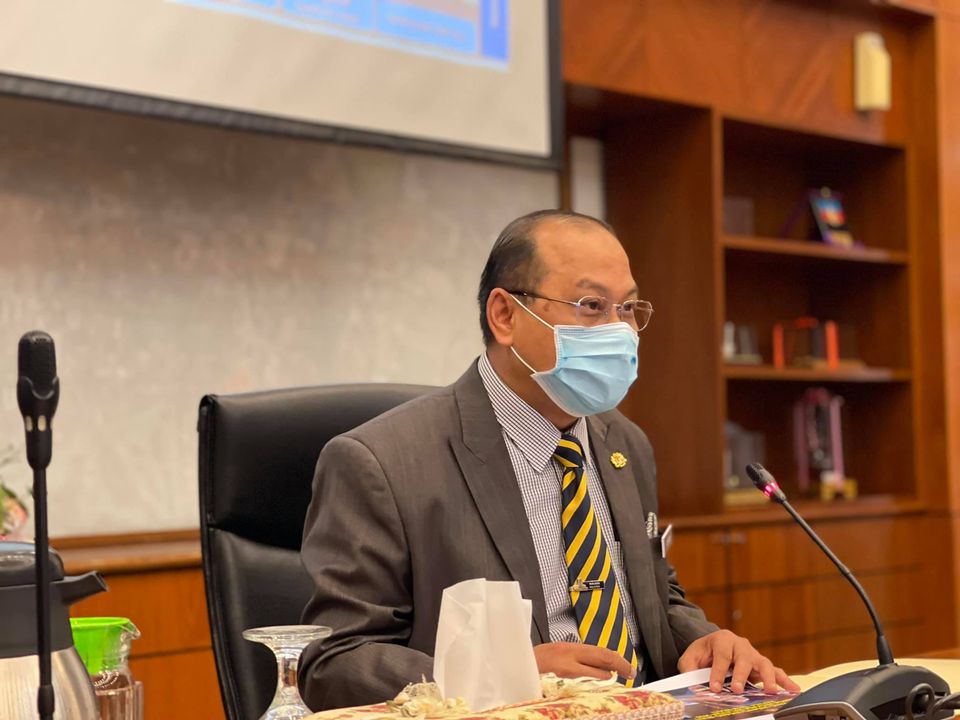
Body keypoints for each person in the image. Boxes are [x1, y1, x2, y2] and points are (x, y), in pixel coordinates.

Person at [298, 209, 800, 710]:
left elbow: (651, 593)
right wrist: (506, 671)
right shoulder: (381, 462)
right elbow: (332, 662)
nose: (619, 330)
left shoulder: (625, 442)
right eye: (591, 306)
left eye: (628, 309)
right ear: (505, 315)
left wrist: (705, 640)